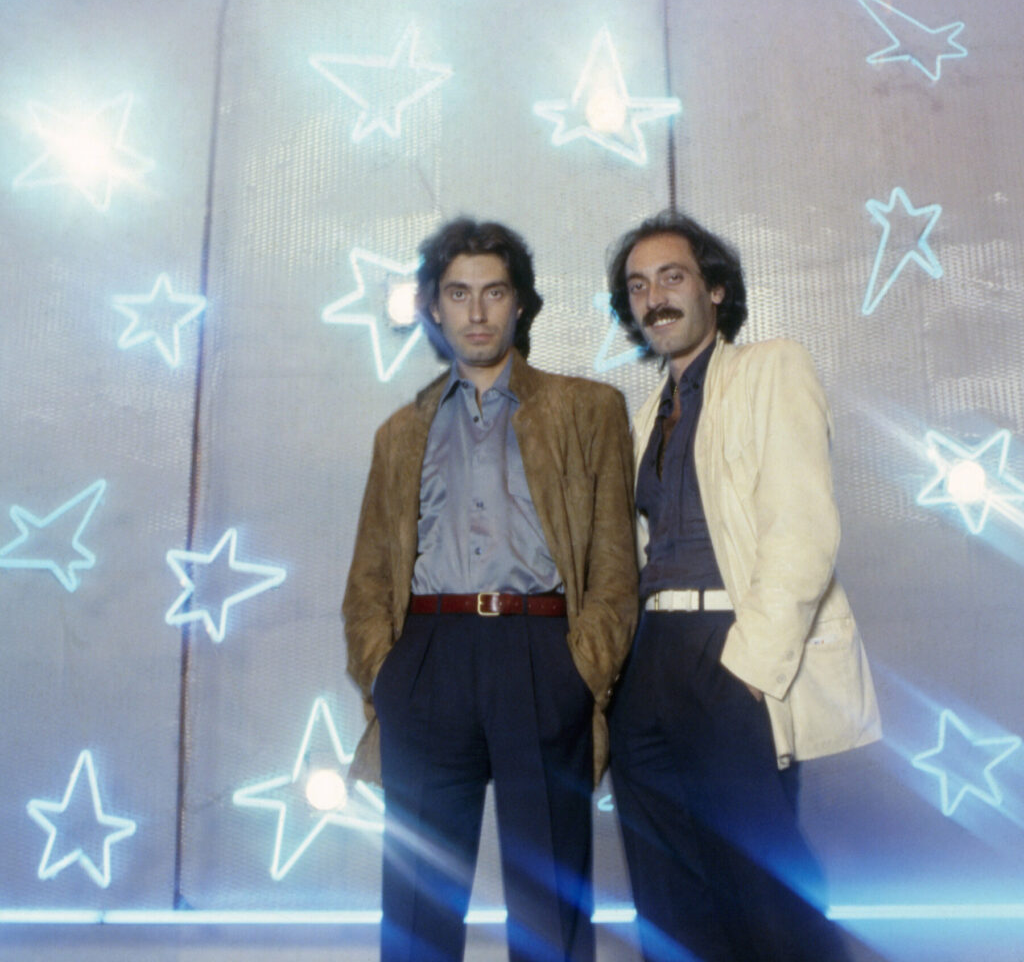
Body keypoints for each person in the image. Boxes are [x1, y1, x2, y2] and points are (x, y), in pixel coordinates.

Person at [343, 217, 637, 962]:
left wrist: (579, 671)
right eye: (458, 293)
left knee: (549, 898)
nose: (476, 312)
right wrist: (386, 671)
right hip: (427, 657)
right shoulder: (399, 432)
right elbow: (369, 576)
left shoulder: (588, 410)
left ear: (520, 303)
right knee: (417, 902)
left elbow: (614, 566)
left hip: (541, 654)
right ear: (433, 308)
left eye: (494, 292)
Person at [605, 210, 881, 962]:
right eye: (639, 286)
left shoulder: (771, 368)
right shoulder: (644, 416)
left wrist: (751, 668)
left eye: (672, 277)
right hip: (649, 659)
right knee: (667, 898)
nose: (655, 298)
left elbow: (803, 529)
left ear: (716, 289)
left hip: (729, 648)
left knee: (762, 894)